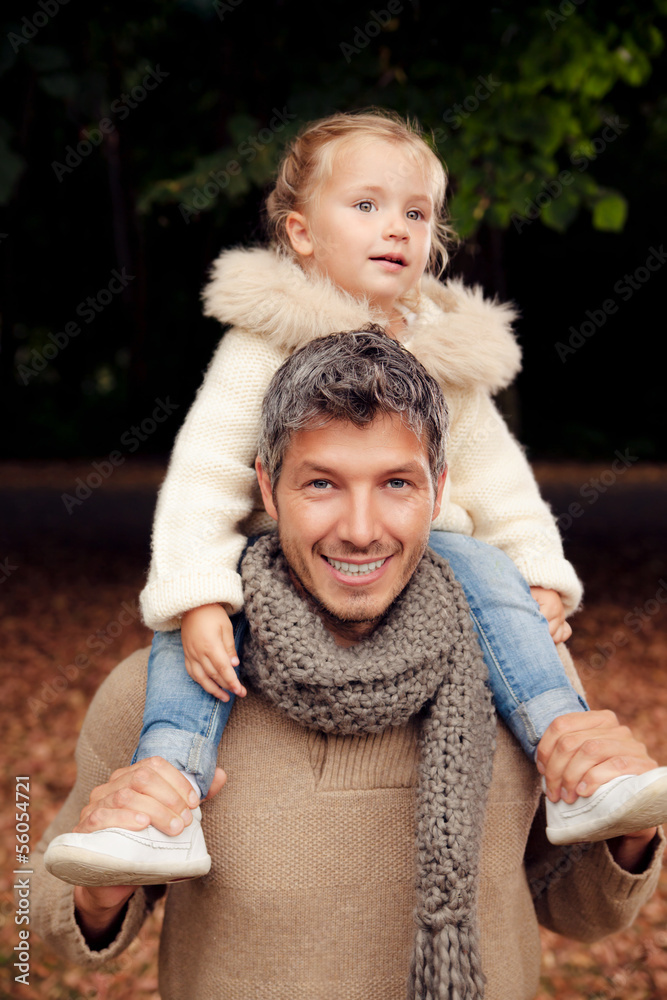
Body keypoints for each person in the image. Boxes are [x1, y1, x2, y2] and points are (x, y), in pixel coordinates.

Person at [46, 108, 667, 885]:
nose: (396, 228)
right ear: (301, 234)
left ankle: (568, 755)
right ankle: (164, 802)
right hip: (273, 552)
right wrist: (198, 595)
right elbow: (206, 472)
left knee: (481, 562)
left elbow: (498, 479)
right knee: (194, 644)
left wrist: (537, 569)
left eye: (415, 213)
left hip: (436, 553)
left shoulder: (441, 354)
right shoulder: (263, 341)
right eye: (366, 205)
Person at [34, 332, 665, 1000]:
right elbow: (43, 917)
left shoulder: (527, 674)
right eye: (321, 484)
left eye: (396, 483)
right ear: (268, 490)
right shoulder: (163, 691)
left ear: (438, 490)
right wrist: (97, 892)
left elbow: (580, 909)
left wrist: (632, 829)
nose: (361, 529)